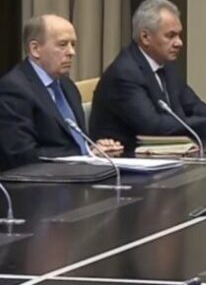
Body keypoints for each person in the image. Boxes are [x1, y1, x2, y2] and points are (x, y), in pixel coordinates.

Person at [89, 0, 206, 150]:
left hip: (165, 152)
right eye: (170, 36)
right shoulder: (125, 73)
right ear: (145, 37)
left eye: (179, 35)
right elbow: (152, 126)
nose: (179, 42)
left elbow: (192, 105)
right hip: (124, 157)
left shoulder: (166, 65)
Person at [0, 15, 123, 170]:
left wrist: (93, 148)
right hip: (41, 181)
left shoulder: (67, 85)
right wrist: (83, 153)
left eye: (73, 44)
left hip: (77, 173)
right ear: (35, 49)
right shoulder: (14, 88)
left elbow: (71, 141)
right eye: (63, 44)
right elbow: (21, 155)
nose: (72, 52)